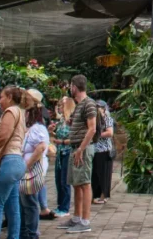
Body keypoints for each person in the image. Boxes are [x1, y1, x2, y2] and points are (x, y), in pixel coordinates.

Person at [0, 87, 29, 239]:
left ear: (9, 97)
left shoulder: (10, 111)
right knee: (12, 207)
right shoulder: (20, 112)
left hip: (9, 161)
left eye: (1, 97)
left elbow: (4, 136)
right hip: (17, 161)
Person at [59, 75, 98, 234]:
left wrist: (81, 149)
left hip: (82, 149)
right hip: (75, 148)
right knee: (76, 183)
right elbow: (76, 124)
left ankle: (85, 221)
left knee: (84, 183)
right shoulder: (79, 105)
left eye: (71, 86)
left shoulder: (88, 103)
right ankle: (76, 218)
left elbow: (92, 128)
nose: (70, 88)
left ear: (75, 86)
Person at [20, 90, 50, 239]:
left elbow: (41, 147)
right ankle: (26, 231)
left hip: (32, 169)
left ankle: (32, 233)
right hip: (28, 167)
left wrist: (27, 165)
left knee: (30, 202)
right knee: (25, 202)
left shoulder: (37, 128)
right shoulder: (31, 127)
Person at [50, 96, 75, 218]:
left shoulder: (72, 121)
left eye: (61, 105)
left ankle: (65, 208)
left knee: (65, 181)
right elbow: (57, 134)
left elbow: (75, 139)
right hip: (59, 153)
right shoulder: (61, 121)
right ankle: (60, 205)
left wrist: (62, 142)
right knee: (58, 180)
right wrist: (51, 132)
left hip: (67, 152)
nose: (59, 107)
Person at [92, 100, 115, 204]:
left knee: (103, 173)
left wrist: (97, 135)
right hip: (94, 149)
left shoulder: (107, 119)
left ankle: (103, 195)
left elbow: (110, 133)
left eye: (99, 107)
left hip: (104, 149)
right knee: (95, 173)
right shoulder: (93, 120)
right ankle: (94, 195)